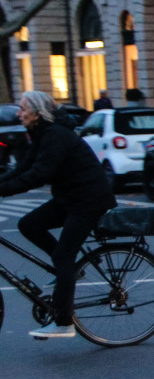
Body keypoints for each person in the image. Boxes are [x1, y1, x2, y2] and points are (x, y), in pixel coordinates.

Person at [0, 91, 115, 338]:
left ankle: (64, 323)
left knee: (63, 256)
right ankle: (72, 271)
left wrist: (3, 191)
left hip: (87, 200)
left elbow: (40, 173)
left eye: (22, 109)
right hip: (69, 197)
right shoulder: (41, 133)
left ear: (37, 112)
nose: (19, 113)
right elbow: (24, 168)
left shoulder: (55, 135)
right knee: (29, 224)